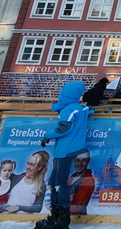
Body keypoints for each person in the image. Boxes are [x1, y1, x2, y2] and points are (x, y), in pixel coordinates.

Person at [35, 80, 92, 229]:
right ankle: (56, 215)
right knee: (54, 182)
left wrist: (47, 135)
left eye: (63, 92)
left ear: (67, 94)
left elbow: (64, 129)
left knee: (59, 183)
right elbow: (88, 110)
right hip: (74, 148)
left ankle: (61, 219)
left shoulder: (68, 110)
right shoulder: (81, 108)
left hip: (65, 150)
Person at [68, 149, 96, 215]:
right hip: (68, 217)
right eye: (77, 160)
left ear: (88, 161)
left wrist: (60, 208)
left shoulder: (88, 180)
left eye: (83, 160)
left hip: (78, 219)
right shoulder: (71, 178)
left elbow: (78, 207)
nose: (79, 164)